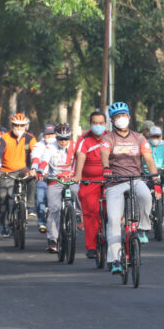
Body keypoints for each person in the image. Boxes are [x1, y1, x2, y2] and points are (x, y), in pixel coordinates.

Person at [100, 102, 161, 275]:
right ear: (112, 121)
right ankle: (114, 261)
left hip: (136, 179)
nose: (121, 119)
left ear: (129, 117)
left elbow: (148, 159)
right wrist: (106, 168)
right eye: (117, 117)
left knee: (146, 196)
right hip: (115, 182)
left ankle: (141, 228)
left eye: (123, 115)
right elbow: (104, 154)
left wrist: (155, 178)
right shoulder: (108, 138)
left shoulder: (139, 138)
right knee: (113, 220)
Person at [0, 113, 37, 238]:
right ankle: (5, 225)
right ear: (11, 125)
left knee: (32, 177)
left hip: (23, 169)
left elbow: (36, 153)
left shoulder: (30, 138)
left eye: (22, 126)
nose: (19, 128)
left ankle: (30, 206)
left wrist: (34, 168)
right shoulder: (4, 138)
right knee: (3, 197)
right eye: (16, 125)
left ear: (25, 126)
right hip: (6, 171)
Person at [38, 123, 78, 253]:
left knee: (78, 192)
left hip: (71, 179)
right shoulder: (50, 147)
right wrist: (39, 171)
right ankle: (52, 240)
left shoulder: (75, 146)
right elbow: (44, 161)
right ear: (56, 138)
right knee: (54, 209)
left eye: (66, 138)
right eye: (61, 138)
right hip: (54, 180)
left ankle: (78, 216)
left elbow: (82, 161)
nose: (63, 141)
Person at [73, 111, 107, 259]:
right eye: (95, 123)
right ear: (90, 124)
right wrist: (78, 174)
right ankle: (92, 247)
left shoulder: (110, 138)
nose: (98, 126)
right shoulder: (84, 139)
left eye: (101, 123)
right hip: (89, 181)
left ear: (105, 124)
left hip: (109, 180)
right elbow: (81, 156)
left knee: (112, 212)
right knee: (90, 212)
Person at [31, 124, 57, 233]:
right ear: (44, 136)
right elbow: (36, 158)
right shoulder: (38, 145)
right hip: (42, 177)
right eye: (47, 135)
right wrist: (34, 169)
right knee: (40, 198)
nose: (50, 137)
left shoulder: (59, 144)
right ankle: (41, 221)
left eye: (52, 134)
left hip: (56, 177)